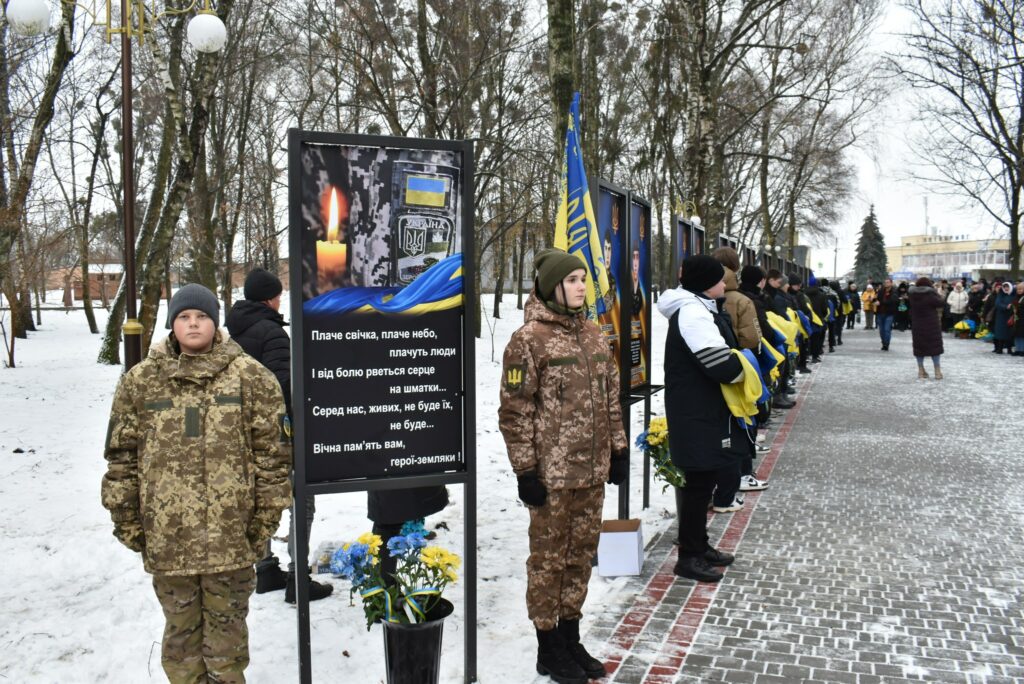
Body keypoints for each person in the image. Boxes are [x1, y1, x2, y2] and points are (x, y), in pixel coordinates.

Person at [102, 284, 291, 683]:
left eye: (202, 316)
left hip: (231, 540)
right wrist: (128, 521)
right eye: (184, 317)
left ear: (216, 322)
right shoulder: (141, 381)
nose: (193, 324)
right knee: (181, 645)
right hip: (169, 540)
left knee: (227, 649)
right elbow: (122, 455)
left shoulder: (251, 378)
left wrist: (263, 525)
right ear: (172, 324)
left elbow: (272, 457)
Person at [499, 248, 629, 684]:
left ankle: (571, 637)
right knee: (548, 562)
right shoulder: (528, 340)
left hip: (591, 472)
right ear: (551, 285)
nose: (580, 287)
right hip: (551, 478)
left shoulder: (594, 334)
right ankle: (548, 645)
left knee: (579, 558)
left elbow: (611, 398)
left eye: (583, 279)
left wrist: (619, 449)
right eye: (572, 280)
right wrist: (525, 472)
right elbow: (514, 411)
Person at [225, 268, 333, 603]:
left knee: (261, 498)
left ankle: (266, 568)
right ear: (271, 298)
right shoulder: (271, 333)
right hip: (277, 432)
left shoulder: (233, 331)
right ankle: (298, 578)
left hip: (244, 432)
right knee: (302, 497)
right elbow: (282, 384)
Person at [657, 255, 746, 584]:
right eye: (720, 280)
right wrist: (745, 368)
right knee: (697, 485)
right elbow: (719, 364)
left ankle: (698, 545)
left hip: (699, 408)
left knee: (704, 479)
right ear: (706, 283)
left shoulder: (698, 308)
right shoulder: (693, 312)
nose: (725, 284)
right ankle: (689, 557)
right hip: (696, 410)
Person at [908, 277, 945, 379]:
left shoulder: (912, 295)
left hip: (917, 324)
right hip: (931, 324)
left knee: (919, 348)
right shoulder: (931, 294)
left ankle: (921, 371)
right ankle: (937, 371)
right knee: (935, 347)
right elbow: (941, 303)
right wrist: (938, 293)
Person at [875, 279, 899, 350]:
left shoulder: (894, 291)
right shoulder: (881, 291)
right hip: (880, 313)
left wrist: (881, 303)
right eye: (885, 282)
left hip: (889, 313)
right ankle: (883, 342)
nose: (886, 284)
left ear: (891, 283)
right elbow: (877, 299)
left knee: (887, 329)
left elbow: (892, 301)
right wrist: (874, 301)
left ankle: (886, 344)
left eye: (888, 282)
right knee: (881, 330)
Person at [992, 280, 1015, 354]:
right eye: (1004, 287)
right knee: (1000, 333)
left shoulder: (1014, 295)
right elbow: (998, 303)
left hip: (1010, 316)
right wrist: (1005, 307)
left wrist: (1011, 307)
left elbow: (1016, 303)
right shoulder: (1001, 294)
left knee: (1009, 333)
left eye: (1007, 287)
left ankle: (1009, 349)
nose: (1006, 288)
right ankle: (1000, 348)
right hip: (1001, 316)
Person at [1012, 281, 1024, 356]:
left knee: (1022, 335)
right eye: (1018, 289)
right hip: (1017, 319)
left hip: (1022, 319)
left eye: (1021, 289)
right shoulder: (1016, 297)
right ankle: (1017, 349)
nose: (1019, 290)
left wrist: (1018, 309)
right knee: (1017, 335)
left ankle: (1022, 350)